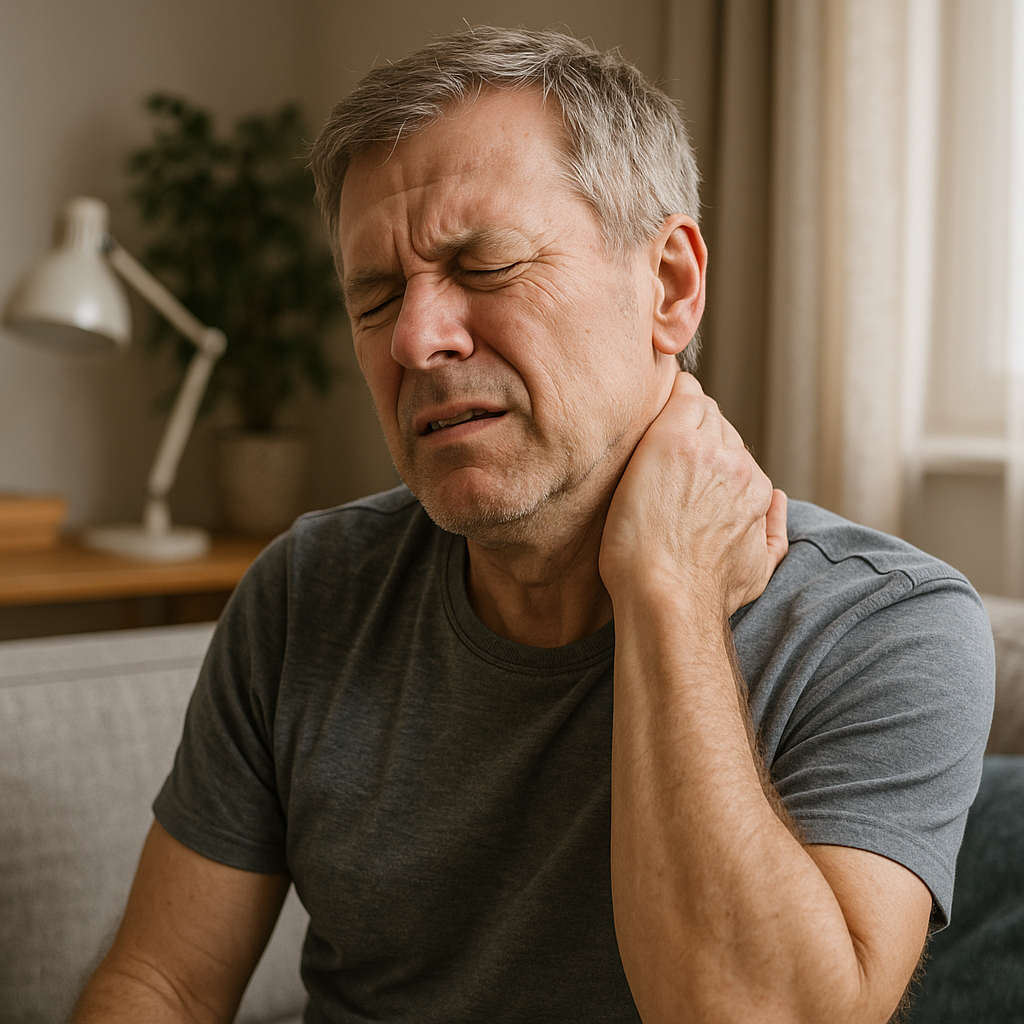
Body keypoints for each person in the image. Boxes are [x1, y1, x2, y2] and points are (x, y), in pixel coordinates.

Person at [72, 27, 994, 1024]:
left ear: (670, 286)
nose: (416, 340)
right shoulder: (308, 588)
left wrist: (669, 592)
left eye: (485, 264)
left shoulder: (885, 625)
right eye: (375, 298)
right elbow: (163, 983)